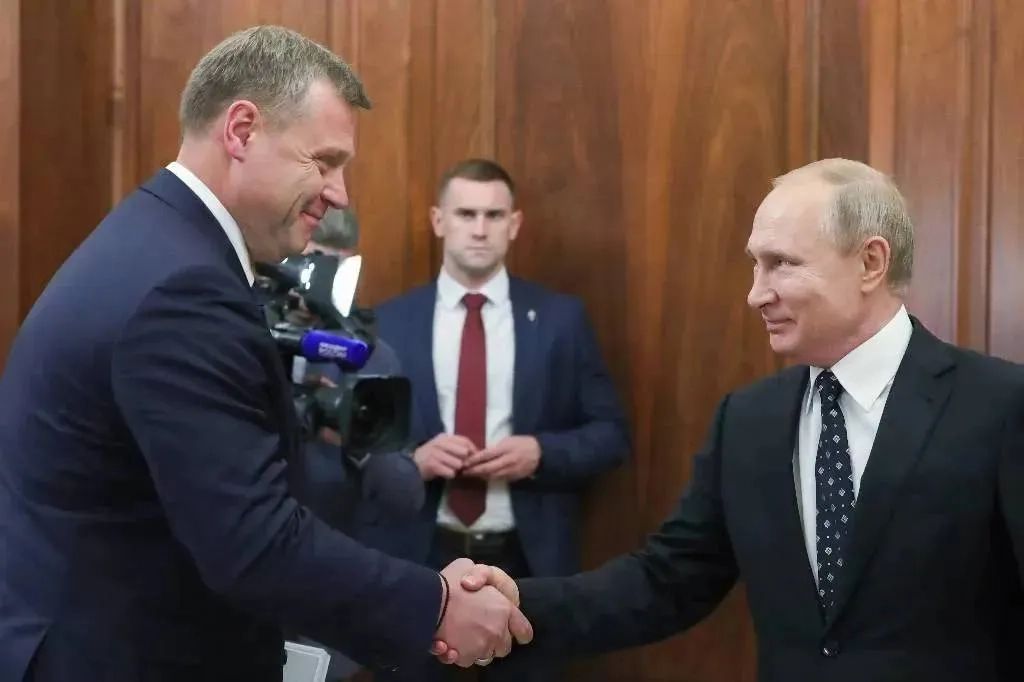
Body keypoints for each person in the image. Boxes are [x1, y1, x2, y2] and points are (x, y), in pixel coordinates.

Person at [0, 26, 529, 682]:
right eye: (324, 161)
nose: (339, 193)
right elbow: (252, 542)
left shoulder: (156, 238)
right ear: (242, 130)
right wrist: (436, 606)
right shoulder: (183, 286)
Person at [441, 158, 1024, 682]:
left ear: (871, 262)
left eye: (781, 264)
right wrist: (518, 601)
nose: (755, 294)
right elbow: (668, 580)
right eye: (755, 266)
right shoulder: (749, 420)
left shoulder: (999, 406)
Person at [354, 158, 630, 682]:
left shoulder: (561, 320)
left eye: (493, 215)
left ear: (514, 224)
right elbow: (353, 446)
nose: (479, 229)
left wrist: (540, 454)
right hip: (419, 558)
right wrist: (413, 462)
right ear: (439, 220)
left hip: (527, 564)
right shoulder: (388, 322)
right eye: (466, 214)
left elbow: (610, 435)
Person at [290, 207, 427, 681]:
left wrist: (358, 436)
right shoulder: (237, 338)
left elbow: (405, 495)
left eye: (338, 270)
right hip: (231, 592)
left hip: (325, 604)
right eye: (313, 264)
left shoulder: (369, 358)